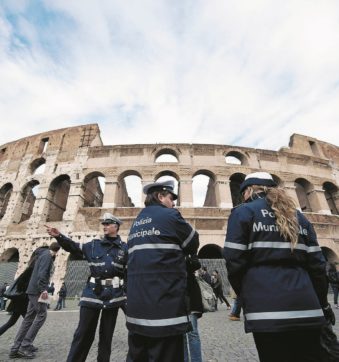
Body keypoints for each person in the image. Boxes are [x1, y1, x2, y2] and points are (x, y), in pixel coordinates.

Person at [223, 171, 334, 362]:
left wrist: (246, 293)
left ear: (249, 190)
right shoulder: (299, 216)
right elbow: (317, 266)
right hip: (307, 306)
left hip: (266, 308)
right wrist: (323, 303)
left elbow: (234, 262)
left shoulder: (243, 212)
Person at [126, 180, 199, 362]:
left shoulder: (137, 222)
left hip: (137, 311)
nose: (174, 202)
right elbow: (193, 242)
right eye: (171, 198)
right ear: (160, 197)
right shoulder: (170, 216)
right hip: (165, 307)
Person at [46, 212, 128, 362]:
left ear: (116, 226)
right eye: (103, 223)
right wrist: (59, 236)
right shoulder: (93, 245)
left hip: (114, 296)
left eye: (107, 223)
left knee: (106, 336)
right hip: (92, 294)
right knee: (83, 334)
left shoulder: (124, 248)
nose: (104, 226)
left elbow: (129, 273)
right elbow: (73, 247)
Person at [9, 242, 60, 359]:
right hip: (37, 291)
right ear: (58, 250)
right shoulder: (47, 256)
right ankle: (24, 345)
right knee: (42, 315)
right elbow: (42, 275)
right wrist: (44, 290)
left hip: (32, 290)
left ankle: (15, 348)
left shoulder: (42, 254)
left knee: (29, 318)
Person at [184, 256, 204, 362]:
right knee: (181, 335)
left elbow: (197, 264)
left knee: (192, 333)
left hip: (190, 297)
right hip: (176, 297)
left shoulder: (189, 253)